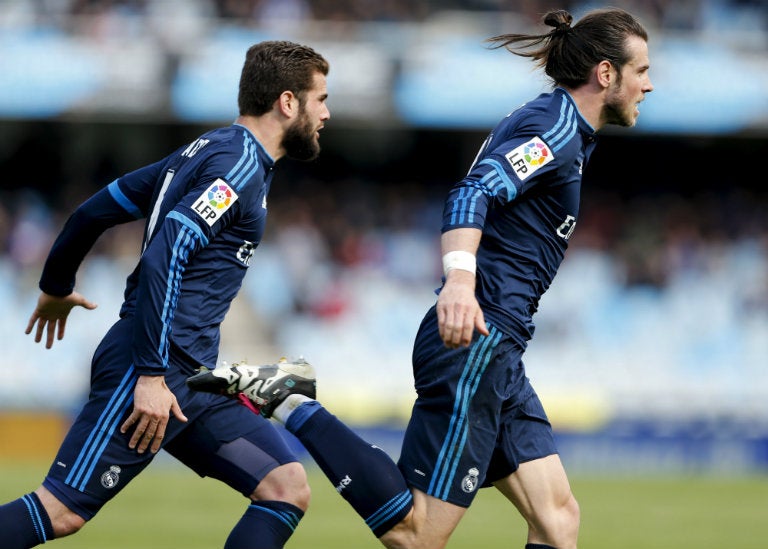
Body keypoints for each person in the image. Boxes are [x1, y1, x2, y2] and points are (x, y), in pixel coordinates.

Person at [188, 7, 653, 549]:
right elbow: (472, 193)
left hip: (500, 347)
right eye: (641, 70)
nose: (649, 83)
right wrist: (460, 282)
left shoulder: (563, 127)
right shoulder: (554, 128)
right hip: (477, 338)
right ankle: (293, 401)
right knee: (416, 536)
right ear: (605, 74)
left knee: (558, 519)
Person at [0, 40, 331, 549]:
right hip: (149, 366)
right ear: (288, 103)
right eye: (321, 99)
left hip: (192, 378)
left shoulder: (206, 152)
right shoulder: (236, 166)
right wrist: (152, 375)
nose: (326, 113)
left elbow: (93, 212)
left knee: (286, 486)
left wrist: (55, 287)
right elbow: (165, 254)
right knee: (61, 511)